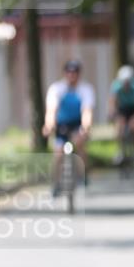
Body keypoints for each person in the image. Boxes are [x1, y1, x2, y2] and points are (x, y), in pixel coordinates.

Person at [43, 60, 95, 194]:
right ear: (65, 73)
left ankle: (83, 174)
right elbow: (51, 110)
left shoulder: (85, 89)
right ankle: (56, 182)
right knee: (58, 153)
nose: (72, 76)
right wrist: (49, 125)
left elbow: (87, 111)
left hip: (77, 123)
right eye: (69, 72)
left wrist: (86, 127)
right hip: (62, 125)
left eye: (75, 72)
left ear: (79, 74)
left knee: (80, 145)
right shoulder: (57, 89)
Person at [108, 64, 134, 164]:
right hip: (122, 108)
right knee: (119, 128)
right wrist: (115, 115)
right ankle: (119, 150)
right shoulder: (116, 85)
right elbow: (112, 102)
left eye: (127, 82)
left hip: (133, 108)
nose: (126, 84)